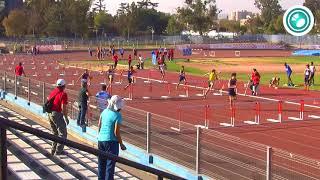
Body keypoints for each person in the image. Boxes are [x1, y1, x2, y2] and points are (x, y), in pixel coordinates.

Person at [98, 95, 126, 180]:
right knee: (110, 166)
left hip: (101, 140)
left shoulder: (104, 112)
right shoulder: (117, 115)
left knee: (101, 164)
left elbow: (99, 125)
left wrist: (100, 136)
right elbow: (116, 132)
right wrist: (121, 144)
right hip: (111, 143)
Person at [48, 79, 69, 156]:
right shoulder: (63, 94)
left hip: (50, 114)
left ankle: (53, 150)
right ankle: (59, 151)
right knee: (63, 133)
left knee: (55, 133)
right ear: (64, 86)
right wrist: (66, 117)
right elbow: (63, 107)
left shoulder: (53, 92)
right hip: (56, 114)